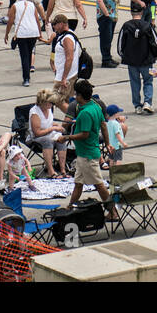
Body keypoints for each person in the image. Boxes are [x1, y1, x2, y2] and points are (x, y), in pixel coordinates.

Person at [57, 79, 116, 220]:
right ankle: (70, 208)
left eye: (76, 94)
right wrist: (107, 143)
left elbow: (85, 134)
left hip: (88, 156)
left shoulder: (85, 113)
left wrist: (66, 137)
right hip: (87, 154)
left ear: (80, 96)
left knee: (100, 186)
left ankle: (113, 212)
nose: (75, 97)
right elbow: (103, 125)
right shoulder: (96, 106)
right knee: (78, 184)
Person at [4, 0, 45, 86]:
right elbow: (37, 19)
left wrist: (7, 34)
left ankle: (26, 78)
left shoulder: (15, 6)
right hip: (32, 33)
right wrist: (39, 33)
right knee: (30, 52)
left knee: (24, 56)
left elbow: (10, 21)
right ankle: (28, 75)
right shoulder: (31, 5)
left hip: (22, 34)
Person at [26, 90, 68, 178]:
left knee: (61, 139)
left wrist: (56, 125)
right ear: (43, 102)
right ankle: (51, 171)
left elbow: (48, 122)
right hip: (36, 138)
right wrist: (53, 128)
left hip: (49, 133)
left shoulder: (49, 109)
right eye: (51, 102)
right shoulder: (35, 112)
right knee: (48, 141)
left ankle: (63, 170)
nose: (52, 105)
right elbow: (37, 133)